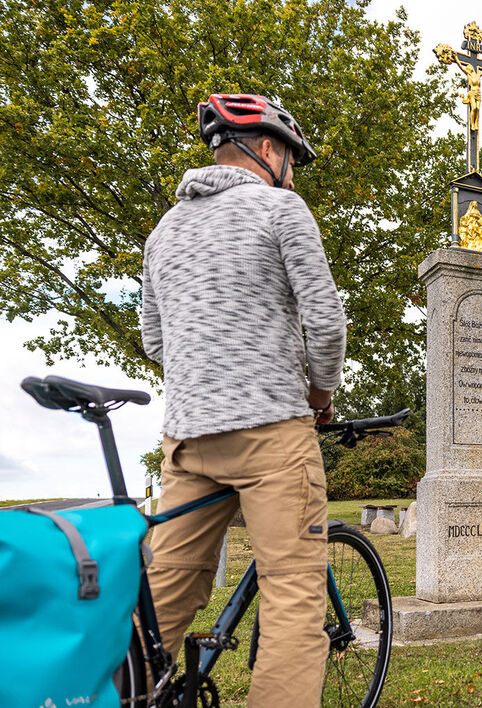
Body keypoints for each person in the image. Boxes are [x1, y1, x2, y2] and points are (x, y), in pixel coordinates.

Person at [140, 93, 346, 706]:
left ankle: (115, 690)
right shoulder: (282, 210)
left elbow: (155, 339)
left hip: (187, 439)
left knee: (164, 594)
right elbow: (327, 322)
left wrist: (206, 374)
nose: (292, 169)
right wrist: (318, 393)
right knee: (291, 593)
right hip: (271, 434)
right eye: (291, 155)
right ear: (267, 148)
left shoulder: (162, 232)